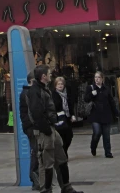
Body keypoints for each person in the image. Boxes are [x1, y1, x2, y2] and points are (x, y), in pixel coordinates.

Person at [26, 65, 84, 193]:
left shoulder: (44, 89)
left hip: (52, 128)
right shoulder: (35, 91)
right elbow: (37, 113)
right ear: (43, 77)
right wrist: (46, 129)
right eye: (49, 73)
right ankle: (46, 190)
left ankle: (66, 187)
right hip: (44, 131)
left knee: (61, 158)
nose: (51, 75)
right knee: (47, 163)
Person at [83, 71, 118, 158]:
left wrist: (116, 112)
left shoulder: (106, 88)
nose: (97, 79)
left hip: (106, 113)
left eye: (98, 77)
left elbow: (111, 101)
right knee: (97, 132)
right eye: (95, 77)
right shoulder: (90, 88)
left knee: (106, 135)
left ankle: (108, 152)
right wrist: (91, 94)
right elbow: (86, 99)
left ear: (102, 79)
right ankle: (93, 146)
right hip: (95, 114)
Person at [19, 71, 39, 190]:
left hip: (33, 126)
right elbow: (30, 112)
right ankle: (34, 176)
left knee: (37, 151)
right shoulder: (27, 93)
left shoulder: (32, 92)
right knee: (35, 151)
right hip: (31, 127)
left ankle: (37, 176)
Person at [52, 77, 75, 158]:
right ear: (55, 85)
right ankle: (62, 154)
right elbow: (55, 106)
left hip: (67, 117)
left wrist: (72, 115)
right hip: (59, 118)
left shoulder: (67, 93)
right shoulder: (54, 94)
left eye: (61, 84)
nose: (60, 85)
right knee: (61, 136)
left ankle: (64, 150)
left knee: (69, 136)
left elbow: (70, 105)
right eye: (58, 84)